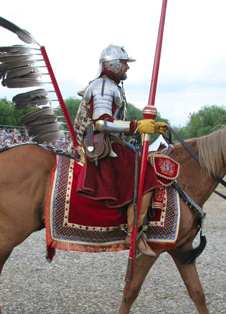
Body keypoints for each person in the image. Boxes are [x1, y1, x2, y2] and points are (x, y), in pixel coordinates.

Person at [73, 45, 173, 257]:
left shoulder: (111, 85)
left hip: (112, 141)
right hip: (104, 143)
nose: (127, 67)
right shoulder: (104, 87)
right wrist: (135, 126)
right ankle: (134, 234)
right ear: (113, 64)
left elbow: (114, 121)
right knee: (146, 174)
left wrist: (152, 128)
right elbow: (101, 122)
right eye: (125, 63)